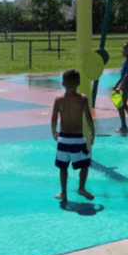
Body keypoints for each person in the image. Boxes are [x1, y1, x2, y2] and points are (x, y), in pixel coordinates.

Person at [50, 68, 94, 202]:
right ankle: (81, 187)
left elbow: (53, 118)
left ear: (62, 83)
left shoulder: (58, 100)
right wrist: (92, 133)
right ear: (79, 83)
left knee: (63, 167)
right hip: (77, 139)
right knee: (85, 164)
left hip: (63, 138)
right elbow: (88, 117)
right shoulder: (82, 99)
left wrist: (54, 132)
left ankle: (63, 193)